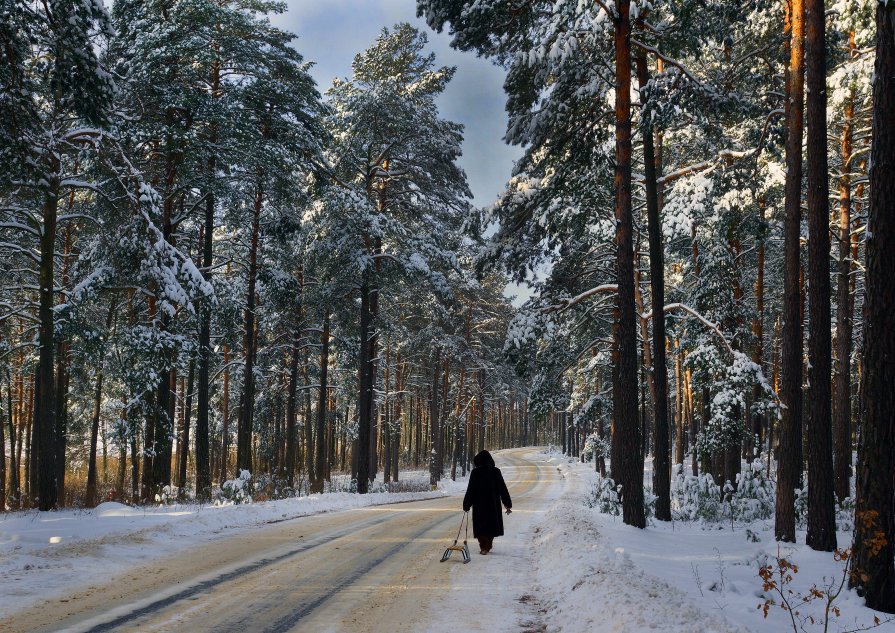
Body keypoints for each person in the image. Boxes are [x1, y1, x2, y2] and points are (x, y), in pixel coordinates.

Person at [462, 450, 512, 555]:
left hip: (479, 505)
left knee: (481, 527)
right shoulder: (496, 471)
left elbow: (470, 489)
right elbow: (503, 489)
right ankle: (487, 545)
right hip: (493, 505)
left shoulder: (475, 473)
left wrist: (467, 504)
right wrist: (507, 503)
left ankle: (484, 547)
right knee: (491, 526)